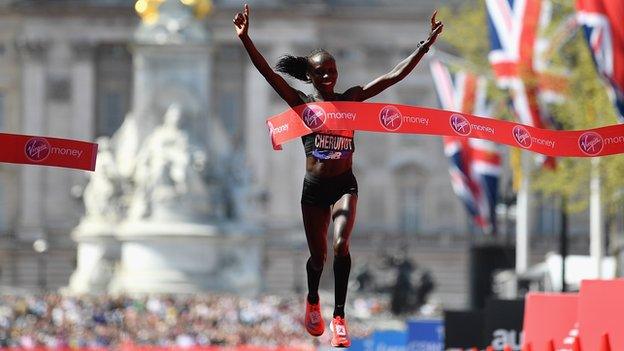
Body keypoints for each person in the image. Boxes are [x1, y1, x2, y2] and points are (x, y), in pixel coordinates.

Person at [233, 4, 443, 347]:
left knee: (341, 243)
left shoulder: (352, 99)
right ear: (311, 77)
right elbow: (269, 75)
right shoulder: (302, 104)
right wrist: (246, 39)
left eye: (333, 70)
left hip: (344, 184)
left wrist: (425, 45)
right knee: (319, 258)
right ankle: (313, 299)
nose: (329, 75)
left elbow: (393, 76)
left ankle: (339, 316)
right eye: (322, 72)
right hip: (314, 188)